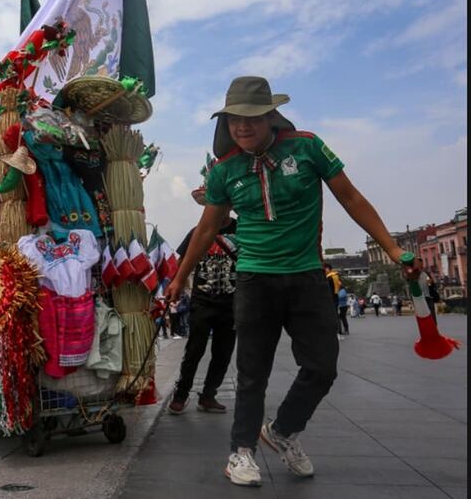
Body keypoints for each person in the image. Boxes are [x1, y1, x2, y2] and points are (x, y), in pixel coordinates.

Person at [165, 77, 406, 488]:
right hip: (255, 279)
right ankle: (240, 453)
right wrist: (179, 277)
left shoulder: (308, 146)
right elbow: (206, 230)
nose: (243, 127)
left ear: (271, 116)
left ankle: (283, 430)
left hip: (307, 276)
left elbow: (352, 198)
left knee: (323, 367)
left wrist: (396, 252)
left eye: (252, 118)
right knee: (252, 372)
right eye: (235, 119)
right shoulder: (224, 171)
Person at [169, 188, 238, 416]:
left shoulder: (243, 229)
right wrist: (176, 284)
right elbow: (182, 261)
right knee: (194, 350)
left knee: (223, 352)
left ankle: (209, 396)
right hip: (202, 300)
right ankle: (180, 395)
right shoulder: (198, 231)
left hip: (232, 303)